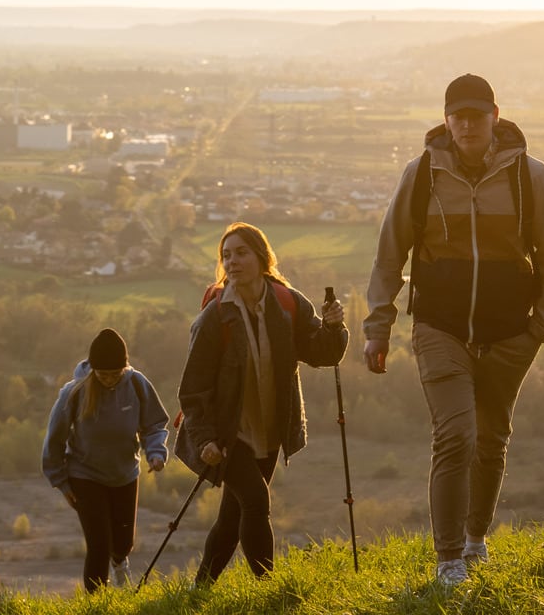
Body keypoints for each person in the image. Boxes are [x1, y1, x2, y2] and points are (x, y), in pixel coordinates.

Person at [363, 74, 544, 587]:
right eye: (458, 115)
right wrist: (378, 326)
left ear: (495, 117)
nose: (467, 124)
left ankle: (477, 540)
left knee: (492, 439)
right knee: (456, 435)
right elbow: (391, 255)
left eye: (477, 115)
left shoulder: (531, 177)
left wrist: (539, 328)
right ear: (446, 119)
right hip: (440, 327)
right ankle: (449, 558)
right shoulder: (421, 175)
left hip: (509, 334)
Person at [176, 222, 348, 583]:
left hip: (270, 428)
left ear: (262, 257)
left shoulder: (287, 303)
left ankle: (200, 587)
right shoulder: (215, 317)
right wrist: (205, 439)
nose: (232, 262)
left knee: (232, 517)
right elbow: (193, 390)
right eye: (226, 255)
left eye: (241, 253)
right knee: (256, 500)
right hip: (228, 433)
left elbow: (321, 353)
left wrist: (334, 328)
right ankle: (268, 587)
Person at [42, 327, 169, 590]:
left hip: (124, 473)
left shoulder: (136, 384)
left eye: (115, 374)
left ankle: (120, 564)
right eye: (103, 375)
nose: (109, 380)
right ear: (93, 370)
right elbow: (54, 441)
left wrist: (155, 453)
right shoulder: (74, 392)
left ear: (124, 368)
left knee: (123, 543)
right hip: (85, 475)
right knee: (99, 545)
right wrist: (62, 483)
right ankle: (96, 604)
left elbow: (155, 424)